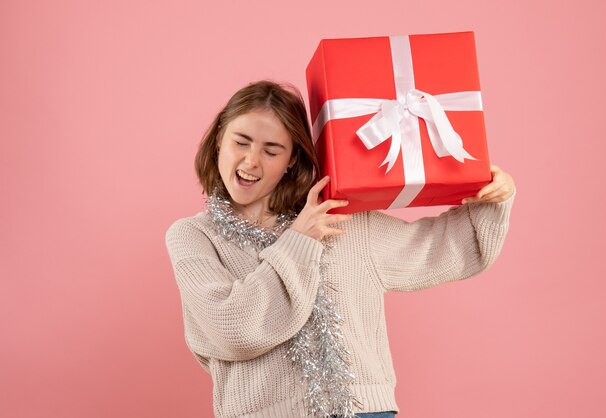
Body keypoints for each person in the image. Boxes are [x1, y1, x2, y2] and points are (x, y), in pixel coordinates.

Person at [165, 80, 516, 418]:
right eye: (240, 142)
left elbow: (443, 248)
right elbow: (233, 329)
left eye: (271, 150)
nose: (251, 161)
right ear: (218, 143)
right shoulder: (193, 237)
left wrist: (494, 197)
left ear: (291, 160)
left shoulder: (341, 221)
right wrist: (299, 241)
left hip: (363, 413)